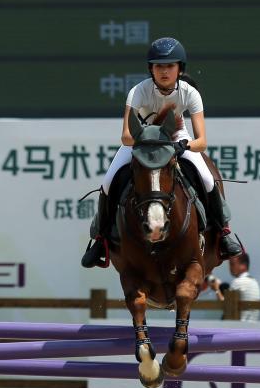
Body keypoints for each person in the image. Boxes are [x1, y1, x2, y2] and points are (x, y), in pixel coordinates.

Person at [81, 36, 243, 268]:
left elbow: (202, 141)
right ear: (151, 69)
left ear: (179, 68)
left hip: (178, 140)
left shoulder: (190, 93)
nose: (164, 71)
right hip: (142, 142)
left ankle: (223, 233)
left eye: (170, 66)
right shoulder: (139, 91)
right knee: (109, 181)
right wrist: (146, 141)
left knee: (207, 178)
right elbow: (126, 135)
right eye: (159, 66)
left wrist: (182, 146)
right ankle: (100, 240)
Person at [208, 253, 260, 322]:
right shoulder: (254, 282)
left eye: (232, 264)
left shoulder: (238, 282)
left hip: (239, 327)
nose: (230, 268)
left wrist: (216, 289)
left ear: (243, 266)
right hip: (250, 326)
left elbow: (226, 306)